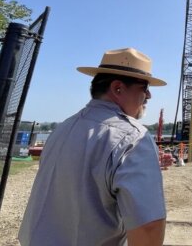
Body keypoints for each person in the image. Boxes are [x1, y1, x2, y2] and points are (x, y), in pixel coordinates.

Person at [19, 48, 167, 246]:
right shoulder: (133, 137)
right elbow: (148, 227)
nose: (148, 95)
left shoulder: (63, 128)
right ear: (118, 88)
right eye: (144, 87)